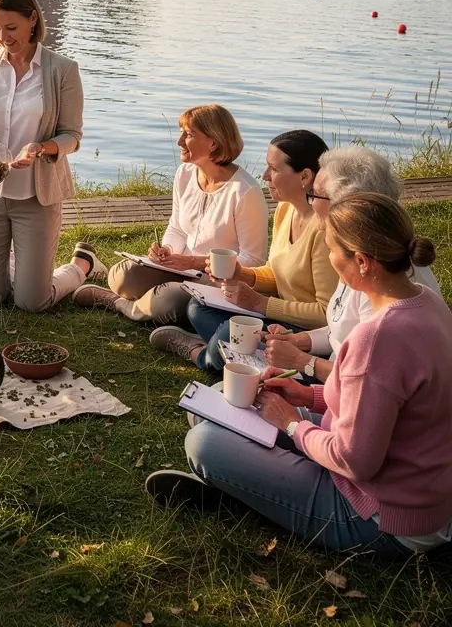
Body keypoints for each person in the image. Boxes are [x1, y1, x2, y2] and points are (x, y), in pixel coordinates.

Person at [146, 193, 452, 557]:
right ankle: (250, 487)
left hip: (380, 514)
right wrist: (307, 396)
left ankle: (247, 494)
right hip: (406, 485)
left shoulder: (379, 337)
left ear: (363, 262)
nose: (329, 257)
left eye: (332, 249)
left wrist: (292, 424)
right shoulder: (427, 302)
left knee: (203, 444)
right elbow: (383, 404)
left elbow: (354, 460)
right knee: (215, 403)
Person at [0, 0, 102, 313]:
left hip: (36, 198)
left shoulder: (62, 70)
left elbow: (72, 135)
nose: (3, 36)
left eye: (11, 27)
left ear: (33, 19)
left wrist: (42, 148)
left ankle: (82, 264)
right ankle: (23, 265)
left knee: (33, 302)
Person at [151, 130, 338, 371]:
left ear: (304, 176)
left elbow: (326, 314)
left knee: (231, 332)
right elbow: (277, 273)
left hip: (306, 330)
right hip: (277, 318)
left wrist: (261, 304)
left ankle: (201, 355)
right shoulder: (285, 210)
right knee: (199, 307)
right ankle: (236, 354)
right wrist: (242, 275)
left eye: (274, 169)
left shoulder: (324, 229)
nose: (265, 176)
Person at [75, 104, 268, 324]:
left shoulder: (245, 191)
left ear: (213, 142)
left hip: (218, 283)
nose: (179, 142)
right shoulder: (185, 173)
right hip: (182, 271)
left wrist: (195, 262)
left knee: (168, 299)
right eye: (181, 133)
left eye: (188, 135)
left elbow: (253, 261)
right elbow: (177, 227)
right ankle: (146, 300)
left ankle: (120, 303)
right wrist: (167, 251)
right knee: (122, 274)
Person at [260, 146, 441, 381]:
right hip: (334, 378)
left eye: (315, 195)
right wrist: (298, 340)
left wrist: (299, 361)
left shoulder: (381, 280)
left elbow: (365, 381)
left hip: (342, 386)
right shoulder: (357, 257)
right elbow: (342, 327)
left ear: (347, 206)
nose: (311, 203)